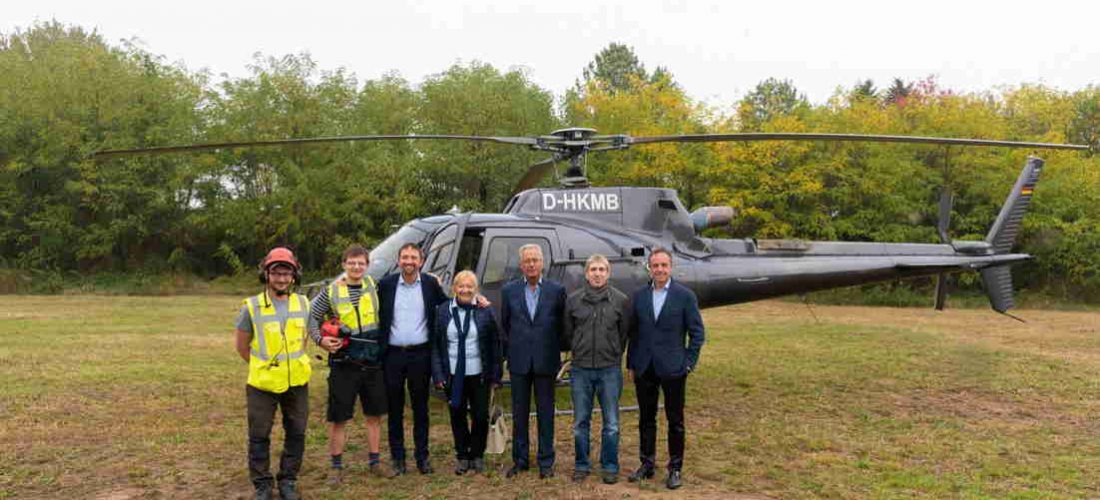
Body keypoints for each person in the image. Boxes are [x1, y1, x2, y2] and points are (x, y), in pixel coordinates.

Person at [234, 247, 311, 500]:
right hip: (262, 384)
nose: (281, 278)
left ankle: (288, 480)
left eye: (286, 273)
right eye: (276, 273)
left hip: (297, 381)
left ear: (294, 276)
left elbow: (303, 340)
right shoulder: (252, 307)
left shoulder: (303, 303)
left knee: (297, 432)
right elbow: (242, 346)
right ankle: (263, 485)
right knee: (259, 435)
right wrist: (263, 367)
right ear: (266, 275)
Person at [308, 244, 387, 484]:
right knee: (339, 416)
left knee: (374, 415)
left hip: (372, 361)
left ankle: (375, 462)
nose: (356, 267)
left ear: (367, 265)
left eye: (360, 263)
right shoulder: (331, 291)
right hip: (344, 362)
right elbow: (310, 316)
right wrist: (320, 340)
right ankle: (336, 466)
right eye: (351, 263)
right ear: (344, 265)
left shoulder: (374, 286)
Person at [626, 248, 705, 490]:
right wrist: (631, 363)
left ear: (671, 267)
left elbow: (697, 333)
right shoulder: (639, 296)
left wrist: (689, 362)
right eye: (655, 265)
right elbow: (634, 333)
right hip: (645, 366)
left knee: (675, 420)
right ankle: (647, 464)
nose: (659, 269)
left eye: (664, 265)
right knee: (646, 419)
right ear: (649, 268)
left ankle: (675, 468)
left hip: (673, 368)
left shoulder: (685, 296)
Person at [377, 243, 448, 476]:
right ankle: (398, 459)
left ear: (422, 260)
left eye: (413, 257)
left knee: (420, 408)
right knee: (394, 409)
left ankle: (422, 457)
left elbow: (449, 305)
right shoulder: (385, 285)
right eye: (405, 257)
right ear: (398, 261)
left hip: (420, 354)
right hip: (393, 355)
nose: (409, 261)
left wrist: (477, 299)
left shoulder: (430, 284)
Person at [562, 254, 631, 485]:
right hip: (581, 370)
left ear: (608, 273)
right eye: (593, 269)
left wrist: (612, 353)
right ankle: (582, 464)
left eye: (602, 269)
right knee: (581, 422)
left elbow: (623, 335)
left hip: (609, 370)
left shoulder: (620, 300)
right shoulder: (573, 301)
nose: (598, 273)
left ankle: (610, 465)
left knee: (611, 423)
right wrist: (580, 351)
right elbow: (568, 332)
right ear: (586, 273)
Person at [500, 244, 567, 479]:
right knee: (519, 414)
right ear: (521, 265)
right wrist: (510, 351)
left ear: (542, 263)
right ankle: (520, 460)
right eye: (527, 260)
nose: (531, 264)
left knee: (546, 413)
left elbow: (561, 326)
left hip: (546, 360)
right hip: (519, 361)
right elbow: (505, 325)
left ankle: (546, 461)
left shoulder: (556, 291)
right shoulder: (509, 291)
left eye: (535, 260)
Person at [430, 271, 503, 475]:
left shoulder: (484, 310)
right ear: (454, 288)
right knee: (457, 414)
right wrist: (438, 375)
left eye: (470, 286)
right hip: (453, 374)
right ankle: (462, 455)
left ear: (476, 289)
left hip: (479, 373)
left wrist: (496, 375)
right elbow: (436, 345)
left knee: (480, 416)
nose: (465, 290)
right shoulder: (443, 311)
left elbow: (495, 344)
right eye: (461, 286)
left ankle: (477, 454)